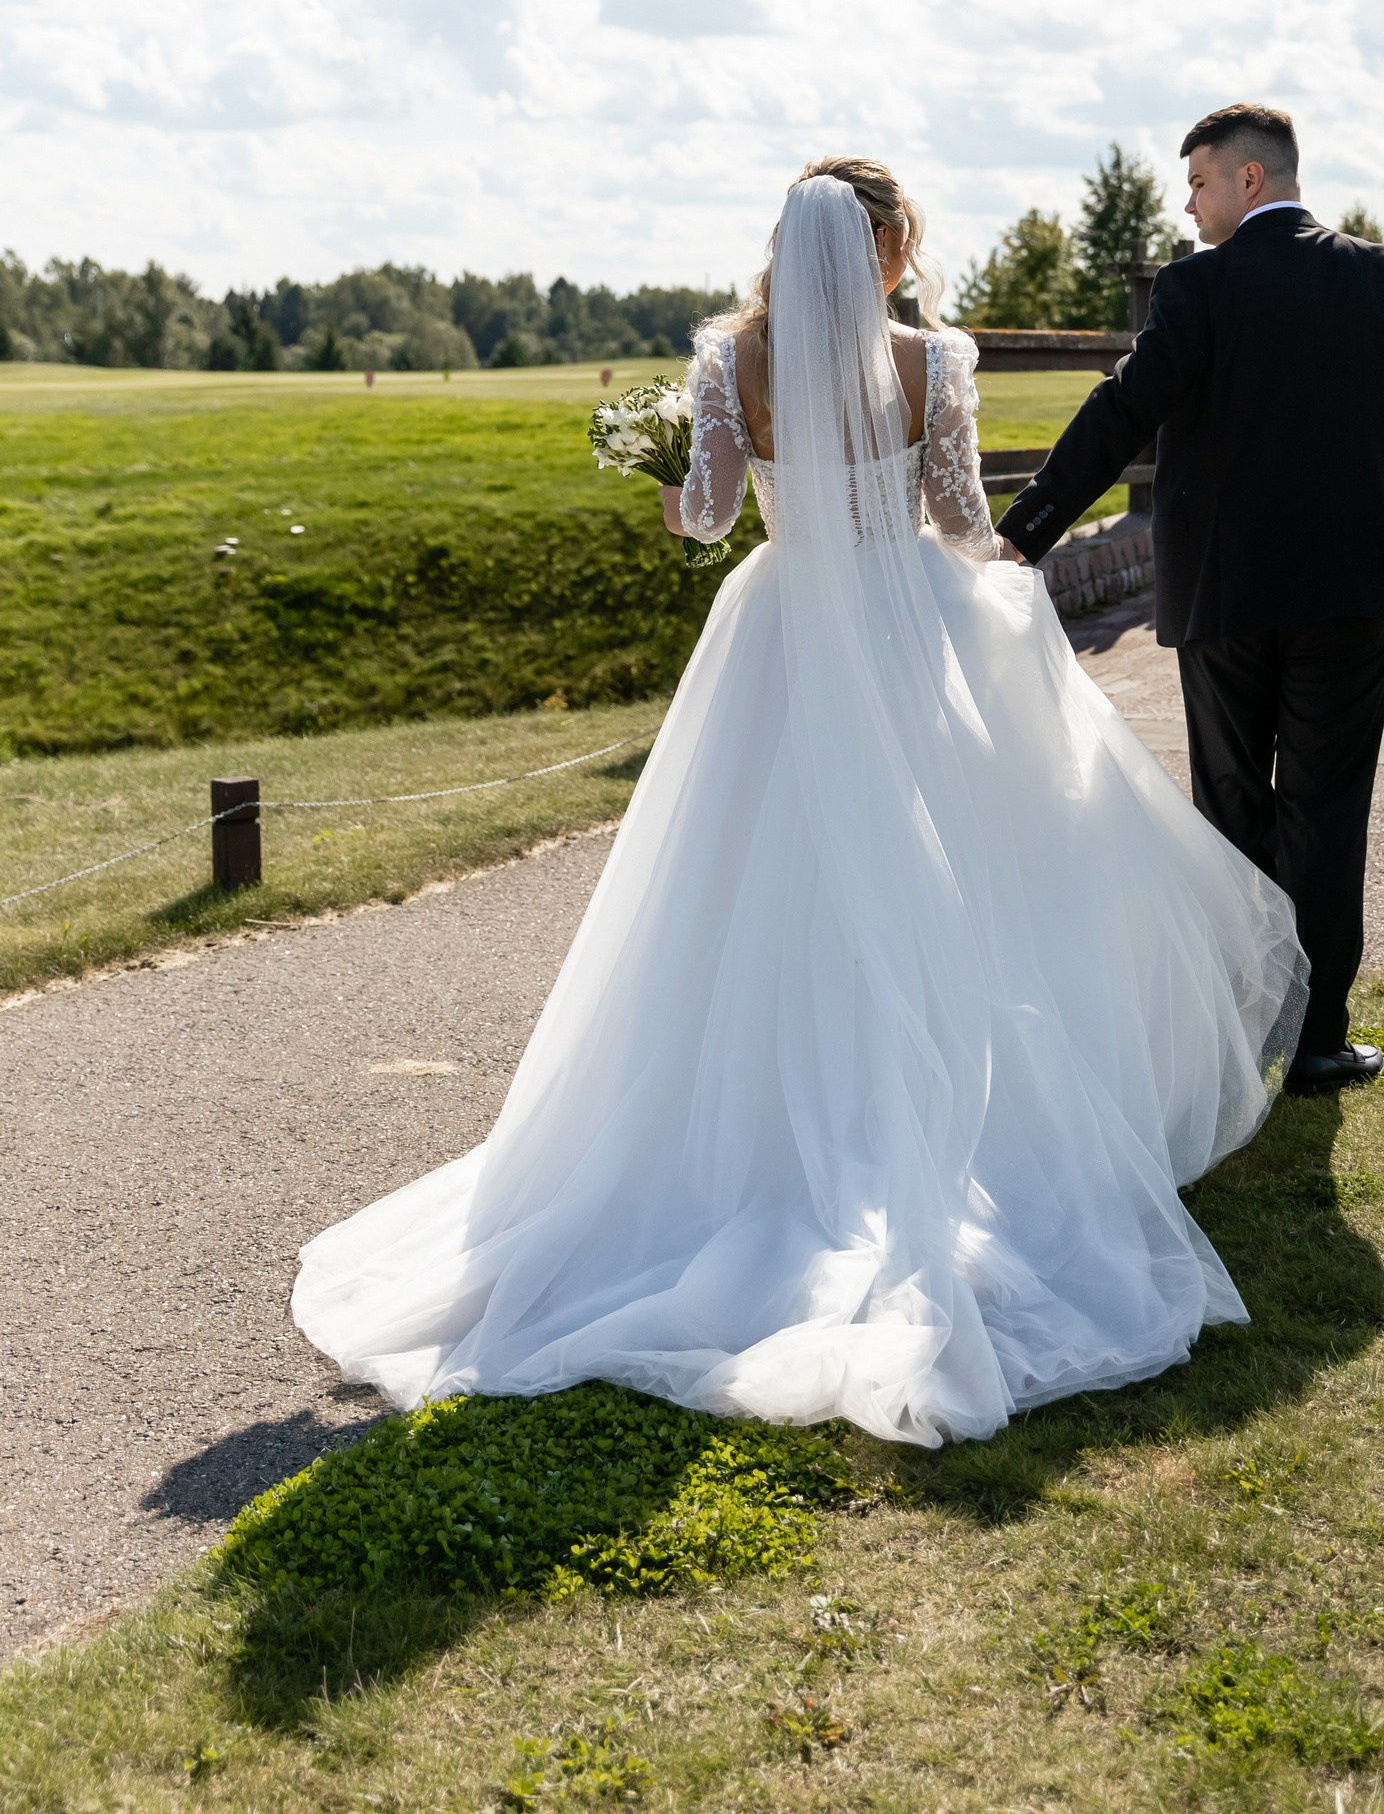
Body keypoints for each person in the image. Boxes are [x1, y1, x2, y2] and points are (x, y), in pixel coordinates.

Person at [292, 158, 1305, 1450]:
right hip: (906, 631)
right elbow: (960, 521)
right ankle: (959, 1130)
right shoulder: (932, 361)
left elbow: (710, 519)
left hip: (779, 633)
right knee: (950, 883)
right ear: (887, 246)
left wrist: (670, 485)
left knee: (749, 893)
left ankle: (749, 1141)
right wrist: (969, 561)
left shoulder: (734, 363)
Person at [997, 106, 1384, 1098]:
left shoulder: (1197, 287)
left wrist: (1025, 529)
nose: (1189, 206)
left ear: (1249, 180)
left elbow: (1122, 410)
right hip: (1356, 595)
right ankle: (1318, 1042)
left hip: (1225, 591)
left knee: (1229, 806)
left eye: (1198, 184)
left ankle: (1243, 1023)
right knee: (1327, 809)